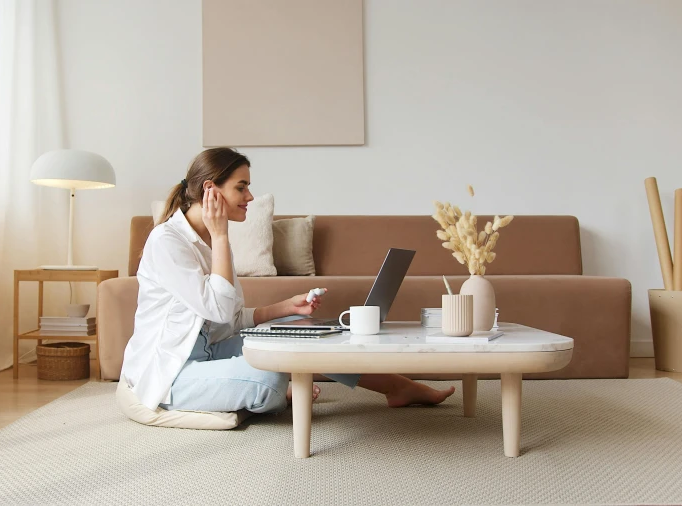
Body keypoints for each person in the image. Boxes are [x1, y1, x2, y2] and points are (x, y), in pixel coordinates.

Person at [121, 147, 456, 416]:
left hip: (212, 349)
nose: (250, 196)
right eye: (241, 186)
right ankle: (285, 385)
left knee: (304, 331)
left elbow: (232, 319)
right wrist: (222, 236)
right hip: (172, 371)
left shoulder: (211, 242)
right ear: (211, 190)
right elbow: (221, 311)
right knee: (270, 376)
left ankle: (396, 387)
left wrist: (285, 308)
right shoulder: (168, 242)